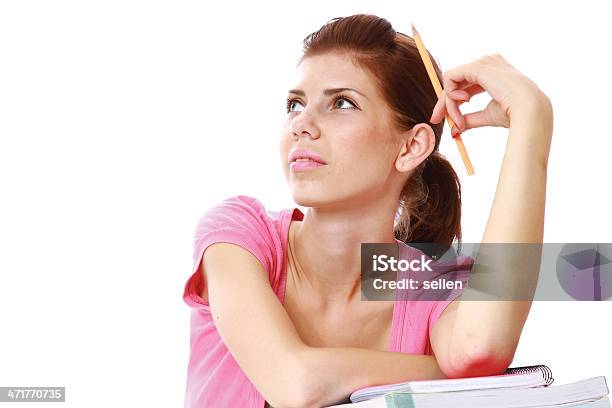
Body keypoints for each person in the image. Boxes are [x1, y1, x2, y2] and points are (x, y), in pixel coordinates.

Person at [182, 14, 553, 408]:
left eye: (341, 103)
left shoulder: (429, 285)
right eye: (295, 104)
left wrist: (532, 116)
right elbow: (298, 385)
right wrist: (448, 378)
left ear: (411, 147)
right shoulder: (238, 235)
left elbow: (478, 348)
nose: (301, 125)